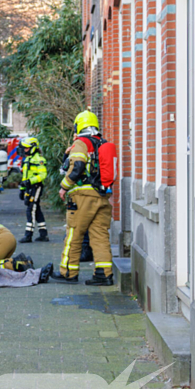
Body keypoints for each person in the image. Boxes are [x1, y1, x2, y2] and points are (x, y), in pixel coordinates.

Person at [53, 110, 114, 286]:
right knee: (100, 235)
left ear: (79, 126)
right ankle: (104, 274)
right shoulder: (101, 143)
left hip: (82, 197)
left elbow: (77, 167)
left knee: (74, 233)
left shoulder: (81, 143)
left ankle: (68, 273)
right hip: (102, 196)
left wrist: (64, 186)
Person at [18, 136, 49, 242]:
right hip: (29, 187)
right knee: (36, 209)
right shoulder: (27, 159)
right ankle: (43, 233)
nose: (24, 150)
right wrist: (22, 189)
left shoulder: (39, 160)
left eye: (26, 148)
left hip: (36, 186)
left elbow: (43, 175)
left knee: (31, 209)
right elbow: (25, 176)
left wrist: (30, 181)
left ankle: (28, 234)